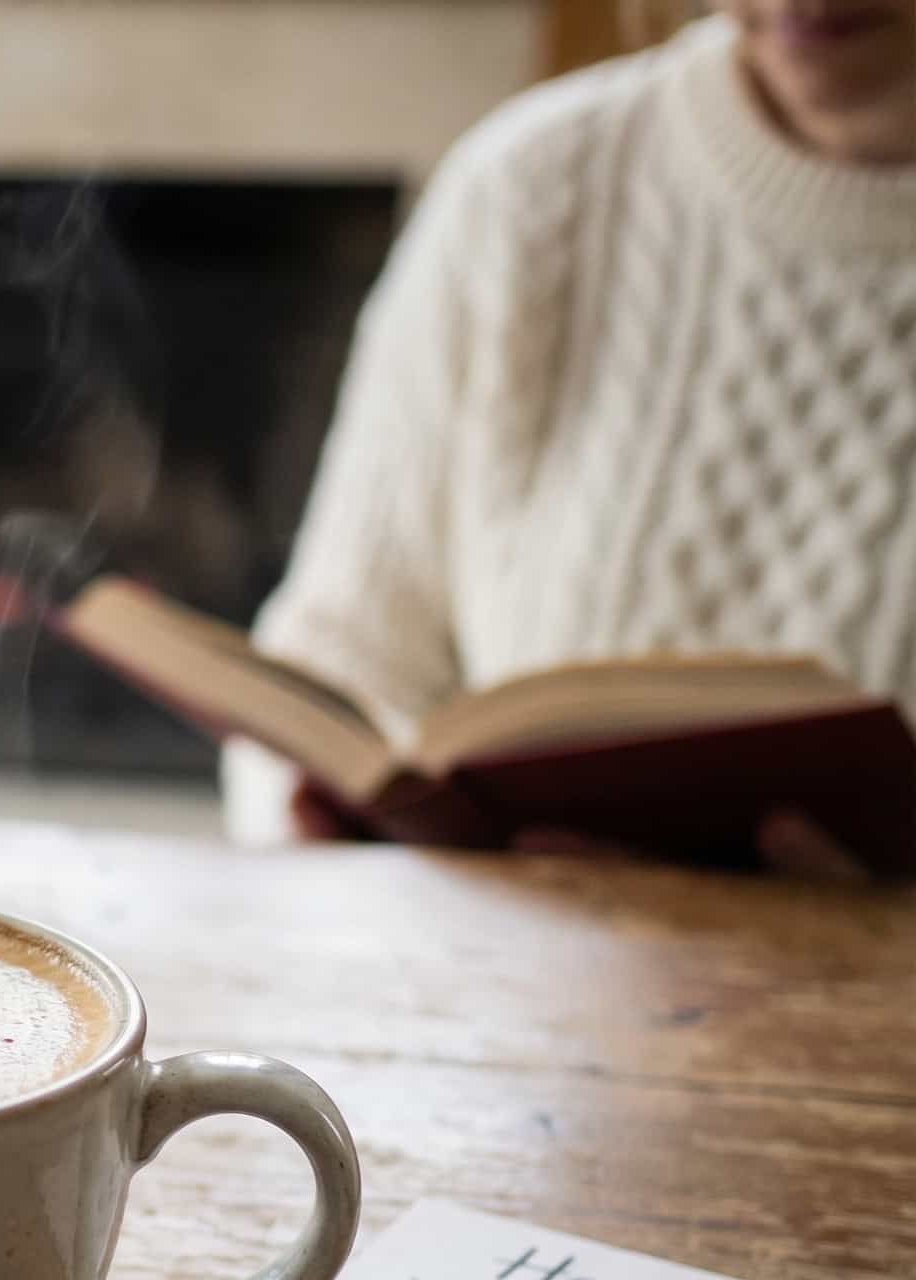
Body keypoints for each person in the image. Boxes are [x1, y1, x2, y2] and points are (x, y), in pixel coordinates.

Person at [224, 2, 916, 877]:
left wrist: (870, 956)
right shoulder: (529, 184)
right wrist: (319, 860)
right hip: (477, 992)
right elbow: (341, 659)